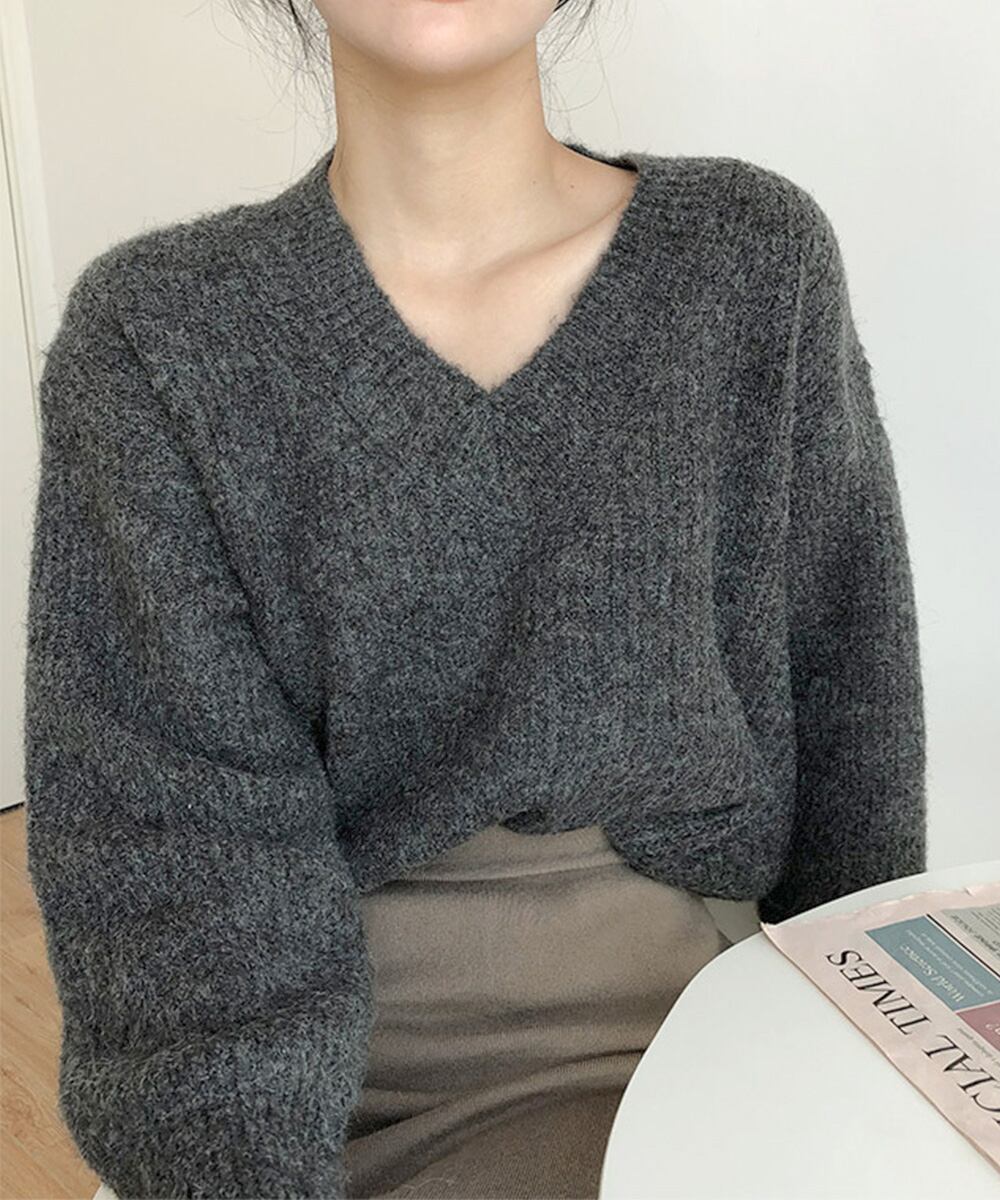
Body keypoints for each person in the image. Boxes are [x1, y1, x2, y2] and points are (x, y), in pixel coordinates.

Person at [23, 2, 926, 1198]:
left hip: (708, 1042)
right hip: (327, 1097)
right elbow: (165, 856)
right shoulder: (155, 337)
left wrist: (885, 1084)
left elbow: (853, 701)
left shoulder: (749, 257)